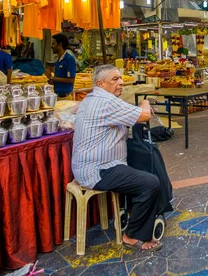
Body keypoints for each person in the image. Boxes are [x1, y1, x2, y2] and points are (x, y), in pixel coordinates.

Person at [72, 65, 161, 251]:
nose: (120, 82)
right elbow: (144, 115)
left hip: (93, 166)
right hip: (98, 170)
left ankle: (134, 214)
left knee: (138, 162)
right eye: (114, 79)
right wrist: (145, 101)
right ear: (100, 83)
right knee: (150, 183)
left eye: (120, 78)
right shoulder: (105, 102)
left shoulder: (93, 98)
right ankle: (132, 235)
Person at [46, 34, 77, 100]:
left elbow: (71, 80)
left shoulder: (69, 59)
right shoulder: (58, 60)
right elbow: (59, 79)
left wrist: (53, 78)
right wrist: (50, 80)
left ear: (60, 44)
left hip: (65, 97)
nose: (51, 46)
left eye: (53, 44)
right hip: (57, 95)